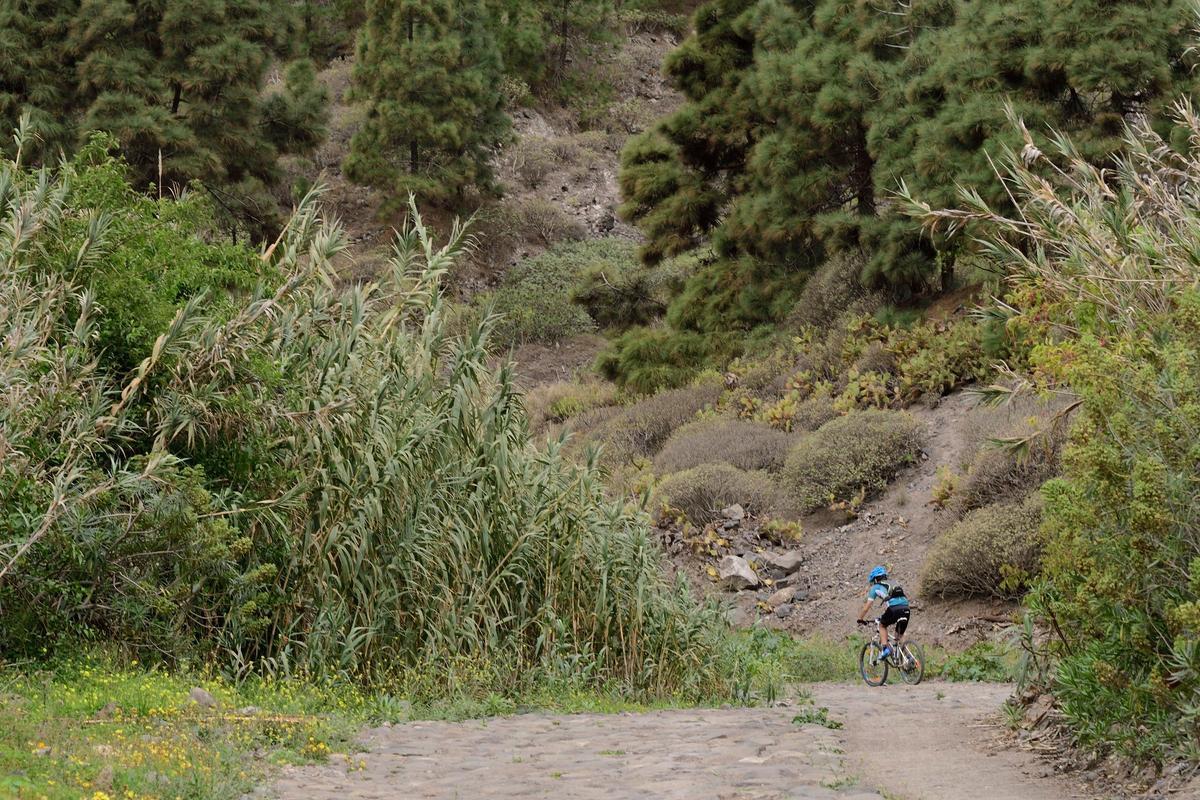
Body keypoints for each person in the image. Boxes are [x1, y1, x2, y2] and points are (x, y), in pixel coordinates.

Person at [856, 565, 910, 663]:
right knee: (899, 637)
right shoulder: (894, 583)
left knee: (882, 625)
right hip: (906, 608)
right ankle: (909, 658)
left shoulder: (876, 587)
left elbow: (867, 607)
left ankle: (885, 648)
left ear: (875, 579)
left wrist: (860, 618)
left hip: (894, 609)